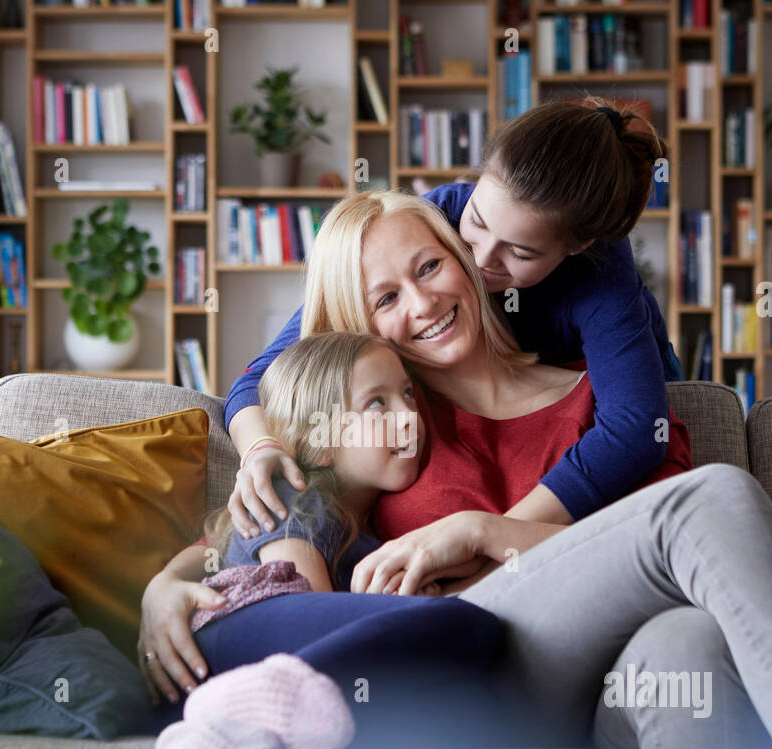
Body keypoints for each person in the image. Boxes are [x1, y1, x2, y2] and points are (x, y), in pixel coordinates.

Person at [143, 187, 772, 749]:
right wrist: (165, 586)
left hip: (615, 674)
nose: (424, 301)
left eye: (431, 266)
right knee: (711, 497)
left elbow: (692, 567)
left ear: (468, 259)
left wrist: (485, 532)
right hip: (483, 663)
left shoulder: (606, 406)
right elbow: (266, 513)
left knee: (690, 646)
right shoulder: (392, 426)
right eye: (386, 298)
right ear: (361, 324)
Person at [226, 99, 681, 545]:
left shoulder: (599, 261)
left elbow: (635, 426)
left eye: (520, 253)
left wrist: (490, 538)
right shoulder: (430, 224)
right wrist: (260, 449)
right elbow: (255, 380)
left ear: (577, 246)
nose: (479, 260)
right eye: (476, 225)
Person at [149, 332, 513, 749]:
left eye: (406, 395)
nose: (409, 417)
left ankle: (267, 746)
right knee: (471, 626)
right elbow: (302, 605)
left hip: (257, 663)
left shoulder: (362, 527)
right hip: (225, 640)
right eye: (377, 404)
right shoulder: (293, 493)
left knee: (474, 700)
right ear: (319, 438)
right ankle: (224, 713)